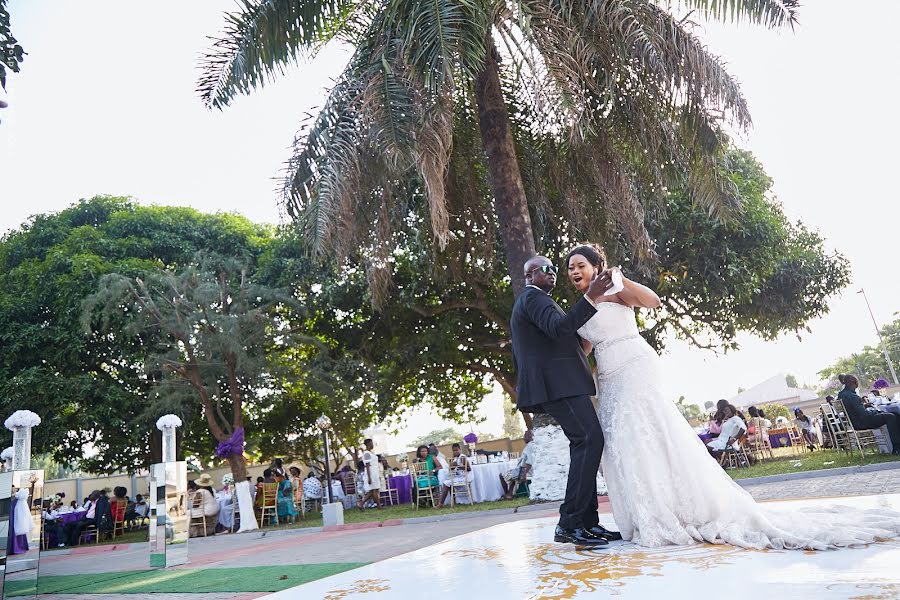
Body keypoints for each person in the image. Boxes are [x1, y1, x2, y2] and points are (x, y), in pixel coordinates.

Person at [565, 241, 900, 549]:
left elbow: (652, 301)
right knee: (623, 442)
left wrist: (619, 281)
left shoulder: (614, 289)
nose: (574, 271)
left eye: (580, 264)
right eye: (569, 267)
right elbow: (585, 349)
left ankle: (676, 512)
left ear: (597, 265)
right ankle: (645, 512)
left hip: (635, 366)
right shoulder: (582, 306)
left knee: (647, 432)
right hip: (608, 379)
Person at [510, 252, 618, 547]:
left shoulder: (539, 301)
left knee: (585, 443)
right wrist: (592, 297)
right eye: (542, 269)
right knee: (589, 440)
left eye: (551, 268)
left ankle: (588, 523)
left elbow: (560, 335)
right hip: (558, 386)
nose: (551, 272)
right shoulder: (532, 299)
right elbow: (560, 328)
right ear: (529, 277)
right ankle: (569, 524)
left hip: (561, 384)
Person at [837, 374, 900, 453]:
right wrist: (874, 411)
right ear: (854, 383)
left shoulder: (841, 395)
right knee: (891, 416)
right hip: (862, 422)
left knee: (895, 415)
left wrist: (864, 405)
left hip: (853, 422)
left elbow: (852, 407)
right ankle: (897, 447)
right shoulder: (853, 396)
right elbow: (864, 414)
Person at [501, 430, 534, 499]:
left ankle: (508, 494)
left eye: (525, 436)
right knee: (512, 474)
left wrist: (524, 474)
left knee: (502, 475)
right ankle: (510, 494)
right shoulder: (532, 445)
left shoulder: (530, 446)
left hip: (524, 471)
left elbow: (529, 462)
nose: (524, 438)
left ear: (529, 437)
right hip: (522, 470)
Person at [358, 438, 382, 509]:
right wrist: (369, 477)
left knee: (374, 490)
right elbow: (367, 465)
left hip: (374, 471)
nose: (372, 445)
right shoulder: (366, 454)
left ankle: (362, 503)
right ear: (368, 444)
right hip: (371, 472)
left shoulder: (371, 453)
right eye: (371, 443)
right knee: (374, 489)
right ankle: (378, 506)